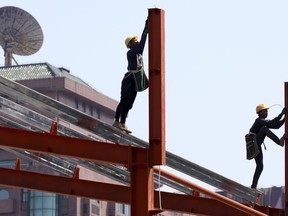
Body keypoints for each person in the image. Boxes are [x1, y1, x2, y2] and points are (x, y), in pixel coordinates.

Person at [113, 19, 148, 133]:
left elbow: (142, 44)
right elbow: (142, 43)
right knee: (124, 101)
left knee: (129, 104)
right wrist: (145, 29)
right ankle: (116, 121)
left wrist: (146, 30)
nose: (137, 41)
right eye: (135, 41)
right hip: (129, 80)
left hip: (135, 81)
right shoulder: (131, 53)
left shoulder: (138, 53)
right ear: (130, 45)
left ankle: (122, 123)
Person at [249, 104, 286, 189]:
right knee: (265, 129)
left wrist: (284, 118)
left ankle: (253, 187)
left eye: (267, 111)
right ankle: (279, 142)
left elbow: (276, 126)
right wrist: (281, 114)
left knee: (260, 166)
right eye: (265, 111)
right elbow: (272, 123)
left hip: (256, 145)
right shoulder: (259, 121)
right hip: (254, 144)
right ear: (260, 112)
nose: (267, 112)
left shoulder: (262, 121)